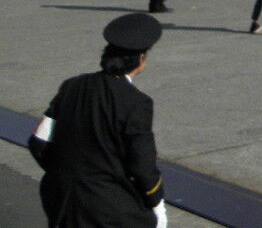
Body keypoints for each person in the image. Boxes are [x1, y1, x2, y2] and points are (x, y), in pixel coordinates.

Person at [28, 13, 168, 228]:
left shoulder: (72, 85)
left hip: (60, 200)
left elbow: (38, 141)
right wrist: (156, 202)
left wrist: (63, 175)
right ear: (140, 59)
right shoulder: (136, 102)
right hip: (106, 208)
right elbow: (142, 165)